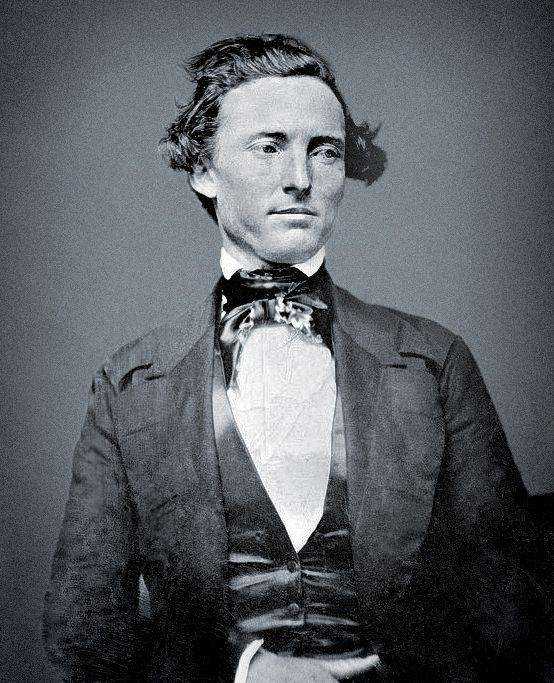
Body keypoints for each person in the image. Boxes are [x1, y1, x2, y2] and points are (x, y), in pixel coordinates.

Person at [44, 34, 546, 682]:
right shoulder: (131, 386)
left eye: (325, 151)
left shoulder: (432, 362)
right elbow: (83, 632)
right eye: (269, 146)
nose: (301, 179)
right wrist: (245, 671)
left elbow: (514, 612)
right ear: (202, 168)